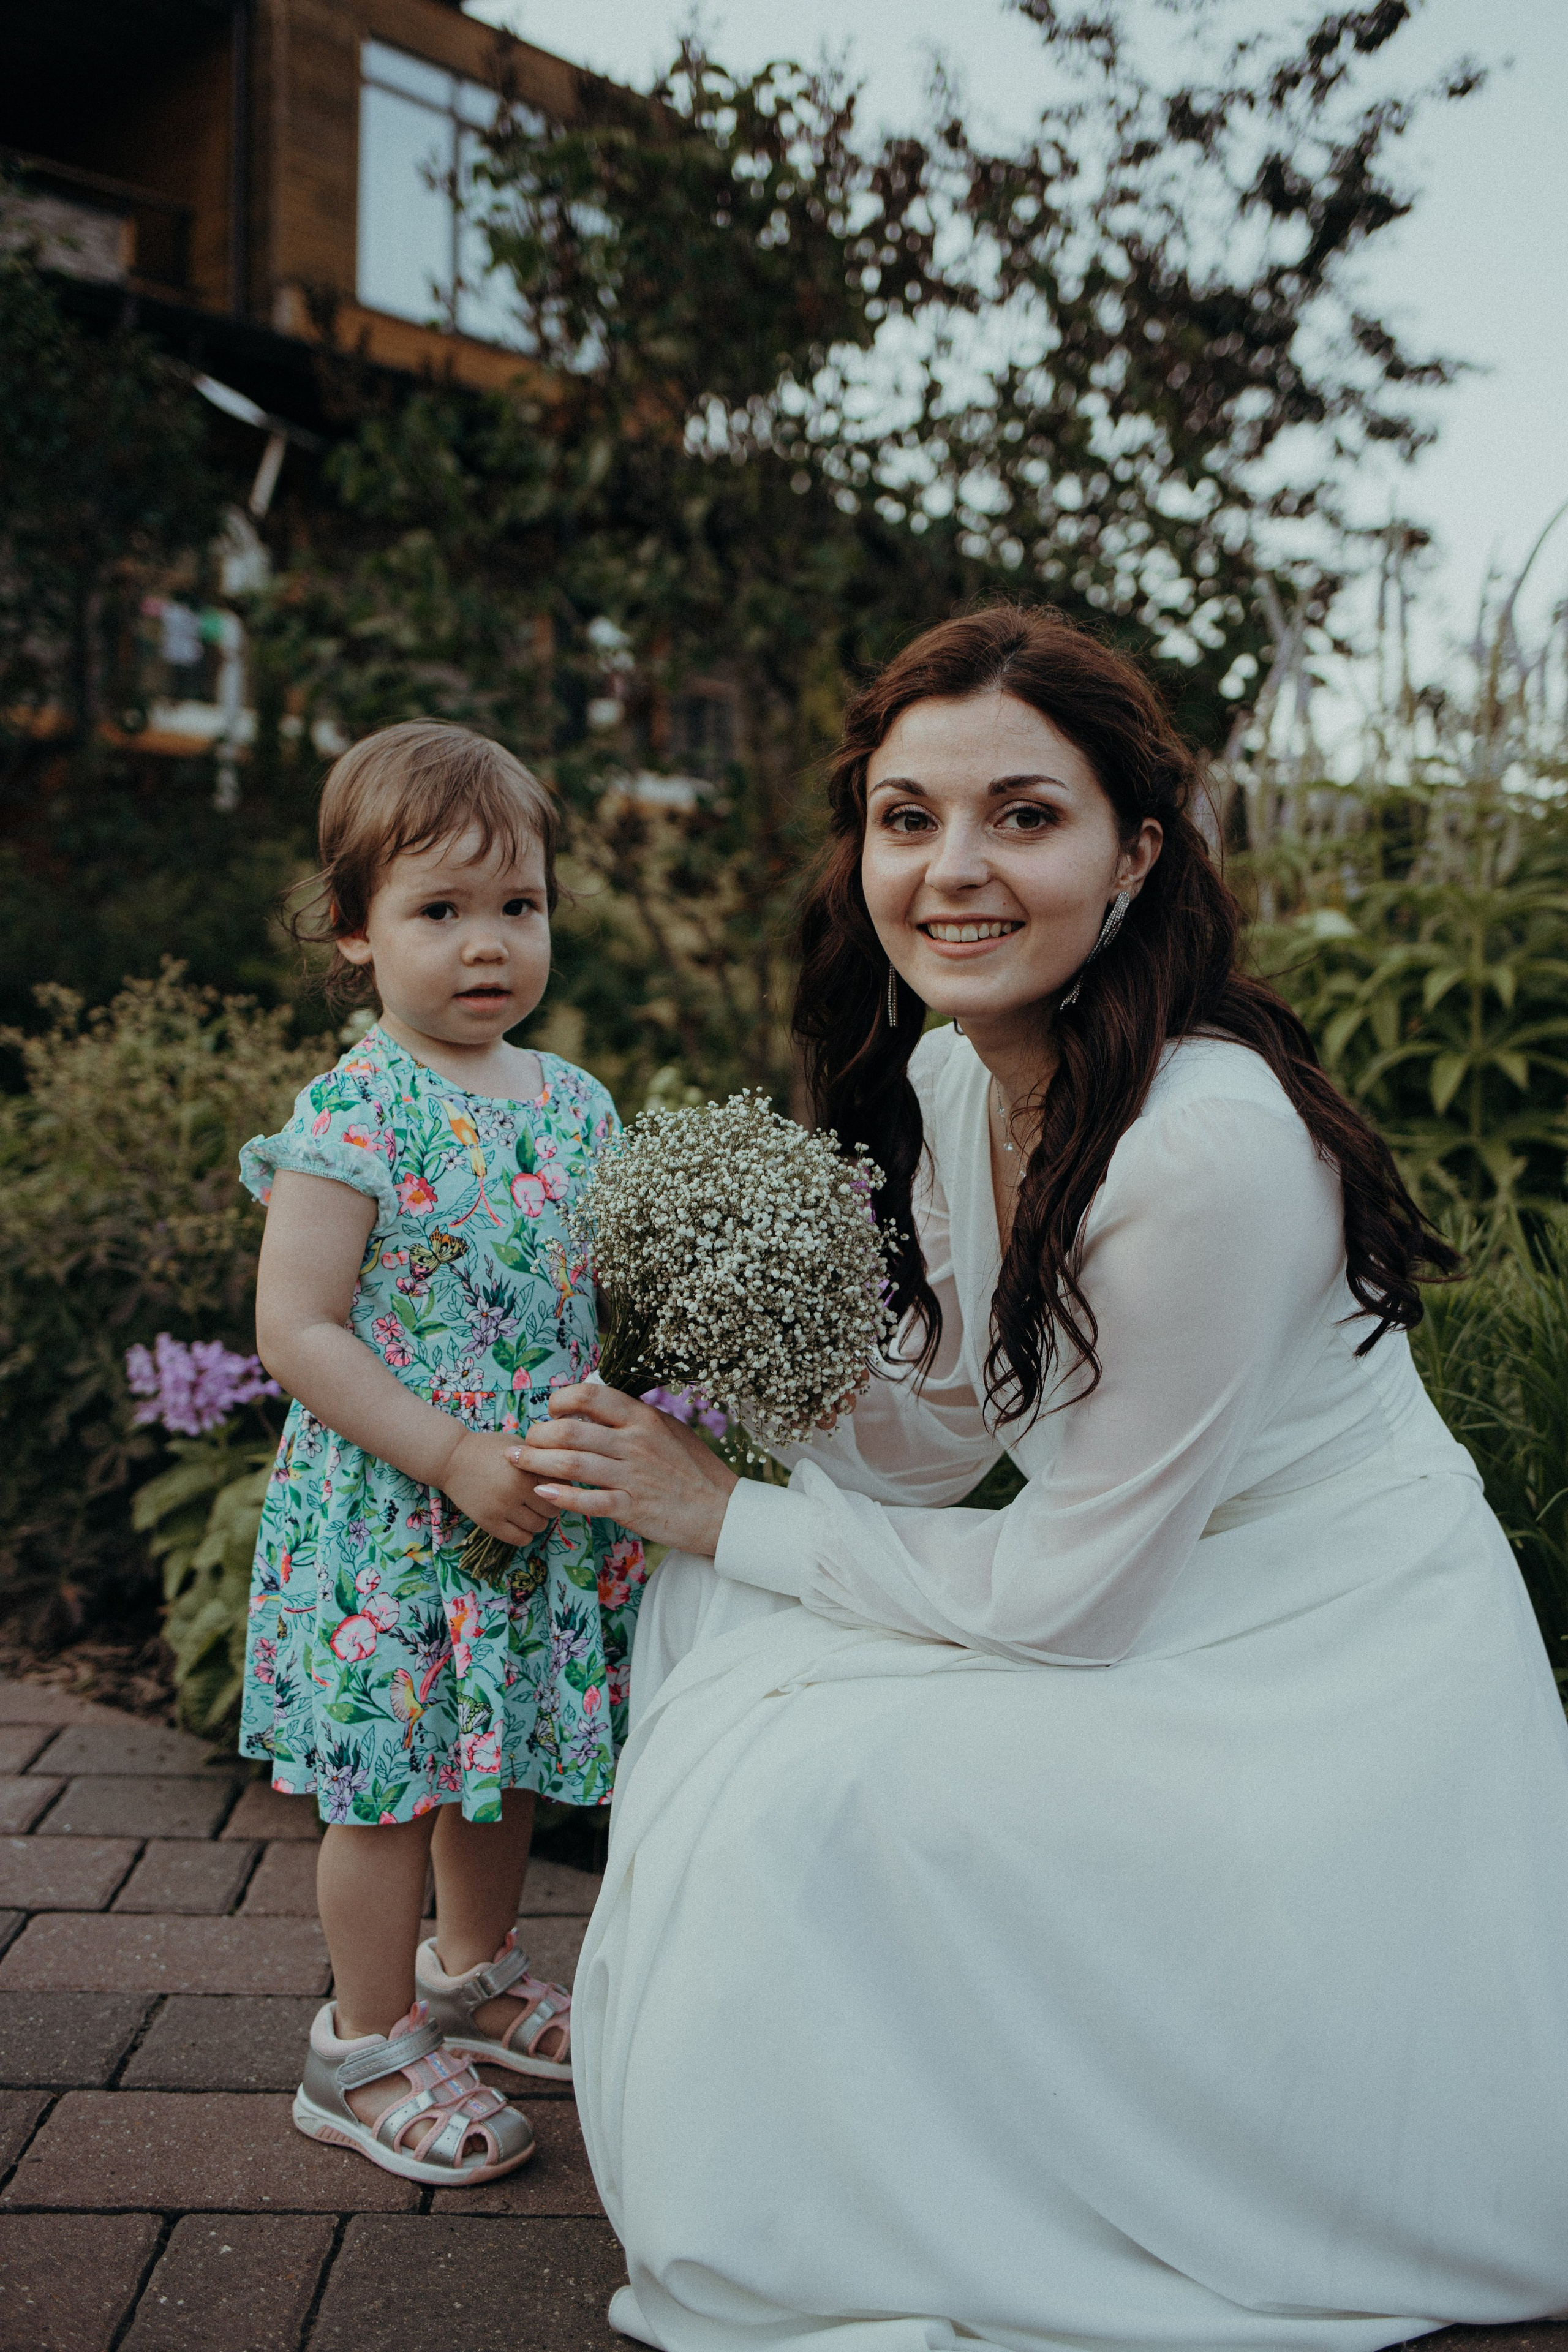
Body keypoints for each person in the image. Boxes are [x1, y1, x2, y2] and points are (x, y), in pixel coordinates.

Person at [522, 609, 1568, 2351]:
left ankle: (960, 2203)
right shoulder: (964, 1068)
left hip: (1319, 1663)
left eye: (1023, 816)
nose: (954, 869)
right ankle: (884, 2168)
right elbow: (950, 1428)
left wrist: (730, 1508)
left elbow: (1074, 1600)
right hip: (1157, 1590)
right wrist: (762, 1353)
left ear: (1135, 853)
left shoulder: (1204, 1147)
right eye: (907, 818)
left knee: (800, 1782)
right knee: (722, 1620)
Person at [239, 720, 645, 2185]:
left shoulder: (575, 1103)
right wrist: (451, 1451)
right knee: (389, 1786)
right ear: (354, 932)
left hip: (523, 1511)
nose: (487, 944)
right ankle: (359, 2046)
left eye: (517, 906)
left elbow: (594, 1288)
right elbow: (297, 1328)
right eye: (439, 910)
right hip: (393, 1520)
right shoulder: (357, 1110)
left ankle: (472, 1972)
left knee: (505, 1751)